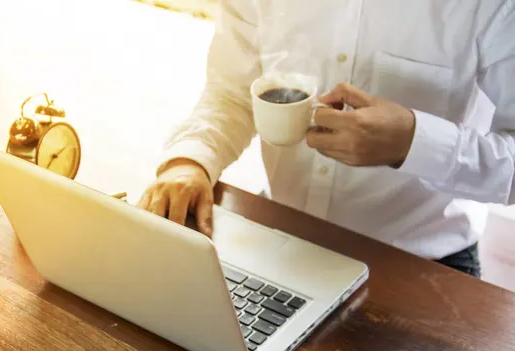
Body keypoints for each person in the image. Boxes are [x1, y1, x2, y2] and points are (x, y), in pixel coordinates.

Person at [138, 1, 515, 278]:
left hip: (424, 268)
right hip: (281, 241)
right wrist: (192, 160)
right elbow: (233, 92)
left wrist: (415, 142)